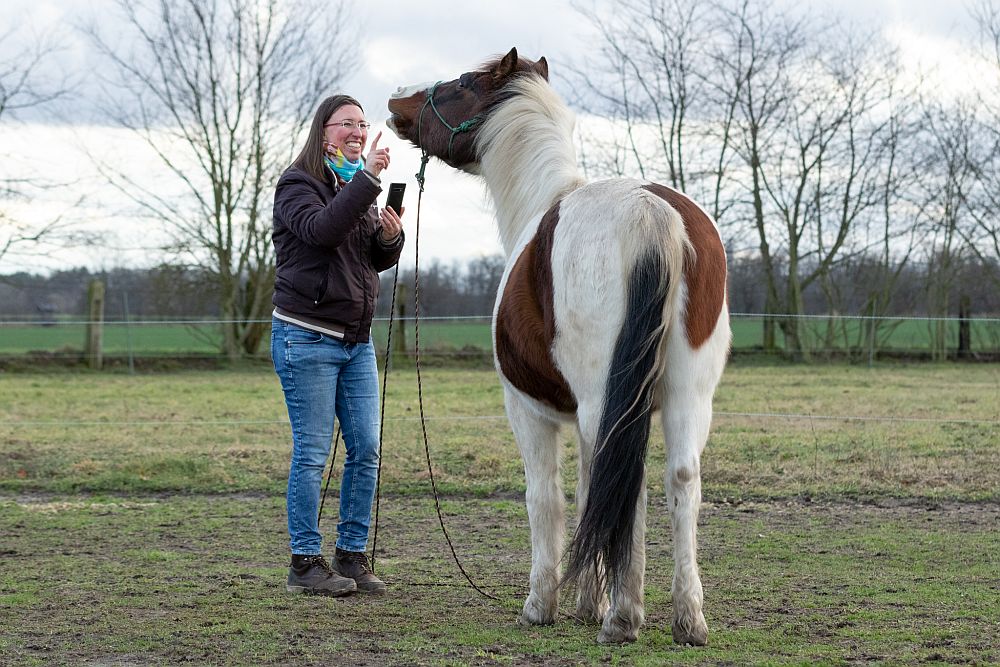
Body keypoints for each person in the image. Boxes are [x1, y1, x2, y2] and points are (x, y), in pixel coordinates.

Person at [271, 94, 404, 597]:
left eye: (362, 124)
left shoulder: (354, 185)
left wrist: (390, 237)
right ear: (322, 131)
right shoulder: (297, 183)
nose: (356, 129)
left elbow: (368, 259)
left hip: (356, 342)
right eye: (347, 123)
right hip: (305, 337)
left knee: (366, 450)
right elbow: (322, 232)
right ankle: (305, 563)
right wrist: (368, 180)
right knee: (312, 453)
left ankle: (350, 557)